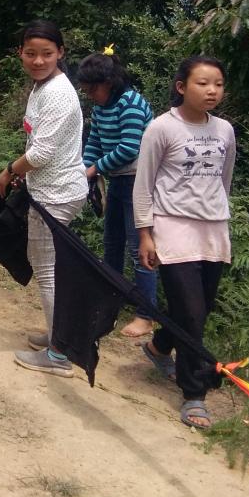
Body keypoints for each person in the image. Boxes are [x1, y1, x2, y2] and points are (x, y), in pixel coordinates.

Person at [135, 56, 235, 430]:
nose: (211, 91)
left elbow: (224, 180)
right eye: (202, 83)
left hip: (212, 228)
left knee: (200, 305)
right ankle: (194, 393)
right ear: (181, 87)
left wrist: (218, 216)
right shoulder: (161, 128)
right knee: (192, 311)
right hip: (171, 227)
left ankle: (160, 346)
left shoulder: (224, 130)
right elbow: (143, 184)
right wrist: (145, 233)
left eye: (218, 84)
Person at [0, 20, 87, 377]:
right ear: (20, 52)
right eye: (30, 53)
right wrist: (25, 173)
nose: (37, 60)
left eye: (47, 54)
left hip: (57, 194)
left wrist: (10, 171)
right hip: (49, 189)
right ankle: (56, 334)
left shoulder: (58, 93)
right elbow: (39, 142)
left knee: (48, 272)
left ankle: (60, 354)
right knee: (50, 269)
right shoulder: (42, 86)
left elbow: (43, 151)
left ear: (60, 53)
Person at [78, 49, 156, 338]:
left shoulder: (131, 103)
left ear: (109, 82)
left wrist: (94, 168)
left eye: (92, 89)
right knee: (112, 243)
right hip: (119, 182)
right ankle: (109, 297)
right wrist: (85, 168)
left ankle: (146, 314)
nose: (89, 94)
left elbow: (129, 148)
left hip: (140, 183)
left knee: (140, 250)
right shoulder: (101, 108)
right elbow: (94, 142)